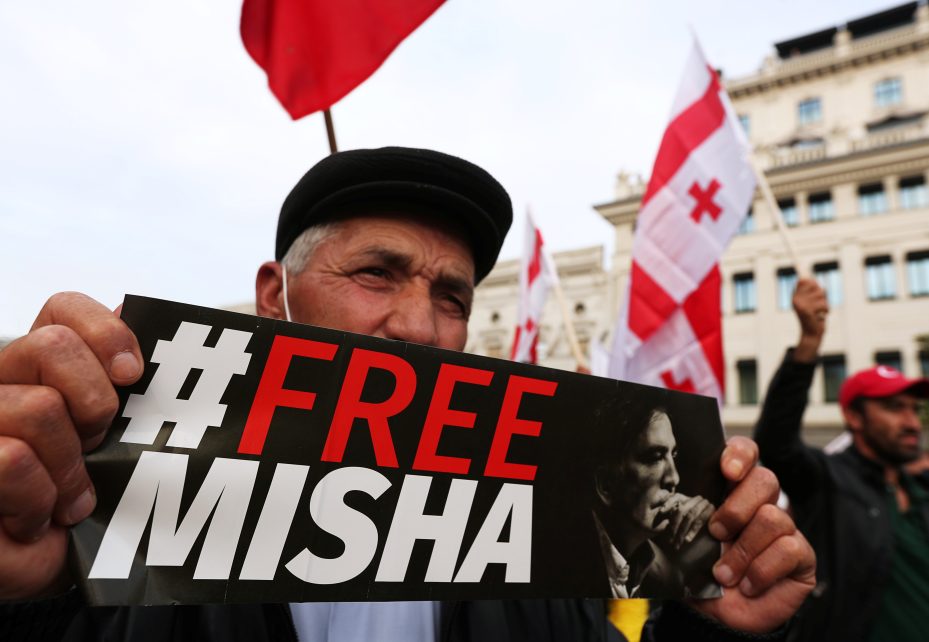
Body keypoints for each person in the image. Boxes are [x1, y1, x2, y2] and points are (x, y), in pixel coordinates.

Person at [0, 147, 815, 641]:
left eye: (451, 297)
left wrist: (722, 633)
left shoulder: (542, 540)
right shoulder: (118, 513)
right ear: (274, 296)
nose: (419, 327)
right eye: (374, 274)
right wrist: (21, 597)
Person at [754, 277, 929, 642]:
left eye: (914, 410)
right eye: (894, 408)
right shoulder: (827, 480)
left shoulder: (919, 489)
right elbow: (775, 442)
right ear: (854, 417)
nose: (912, 422)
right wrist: (809, 343)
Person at [591, 402, 715, 599]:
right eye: (655, 457)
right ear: (606, 485)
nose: (674, 478)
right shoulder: (566, 566)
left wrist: (708, 556)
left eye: (673, 455)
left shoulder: (663, 575)